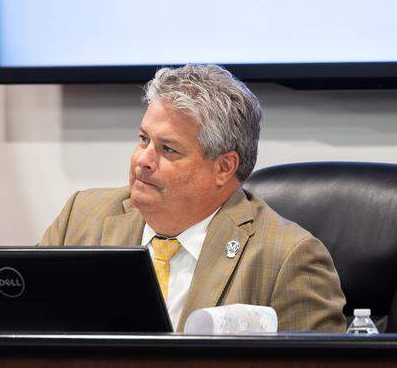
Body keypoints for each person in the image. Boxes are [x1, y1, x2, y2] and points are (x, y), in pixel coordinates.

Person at [40, 64, 346, 332]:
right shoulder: (81, 218)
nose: (142, 161)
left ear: (223, 168)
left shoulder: (288, 260)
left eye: (168, 149)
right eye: (144, 139)